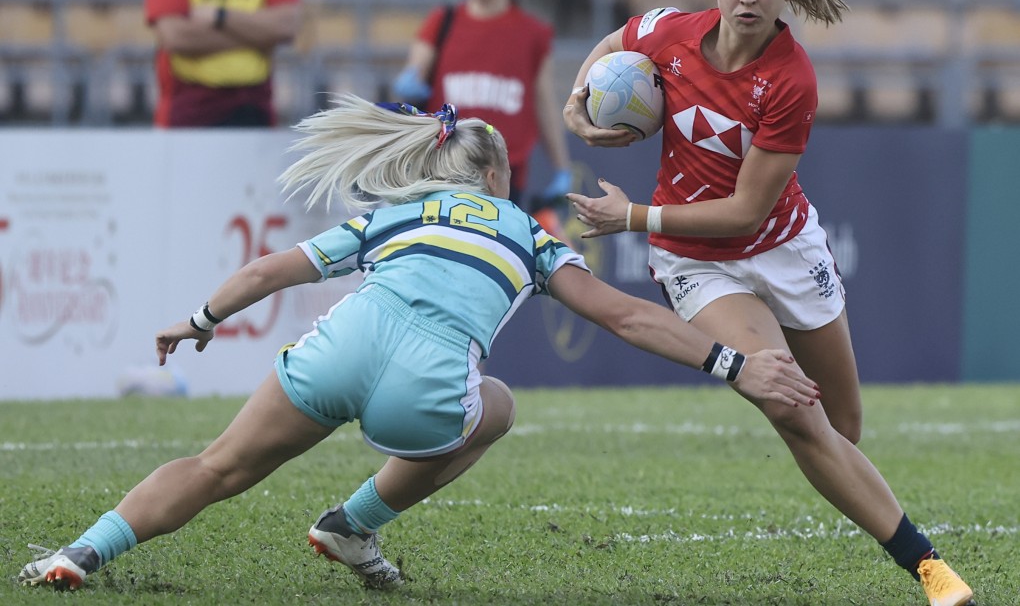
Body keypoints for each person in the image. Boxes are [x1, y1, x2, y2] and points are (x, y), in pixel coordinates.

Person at [18, 94, 820, 592]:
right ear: (500, 179)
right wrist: (731, 362)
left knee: (216, 467)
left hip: (342, 348)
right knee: (498, 406)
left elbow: (271, 269)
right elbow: (623, 315)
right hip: (426, 392)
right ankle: (352, 523)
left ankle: (81, 554)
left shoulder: (394, 215)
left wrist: (197, 321)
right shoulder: (528, 235)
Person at [562, 0, 975, 605]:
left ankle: (862, 501)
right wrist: (575, 107)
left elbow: (744, 214)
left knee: (843, 427)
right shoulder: (666, 32)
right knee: (792, 407)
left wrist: (631, 217)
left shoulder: (790, 78)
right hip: (698, 266)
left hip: (784, 248)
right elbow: (612, 48)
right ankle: (930, 569)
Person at [390, 0, 572, 210]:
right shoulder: (443, 21)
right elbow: (413, 73)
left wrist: (562, 168)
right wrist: (408, 85)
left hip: (503, 172)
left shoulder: (533, 33)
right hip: (444, 166)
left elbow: (543, 103)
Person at [144, 0, 301, 127]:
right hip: (191, 106)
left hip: (254, 103)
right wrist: (258, 36)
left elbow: (287, 26)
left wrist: (220, 16)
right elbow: (175, 36)